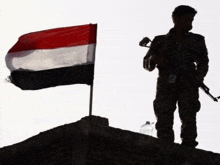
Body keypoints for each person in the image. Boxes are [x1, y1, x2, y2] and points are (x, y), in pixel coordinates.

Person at [141, 5, 209, 147]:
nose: (190, 24)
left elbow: (203, 62)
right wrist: (154, 59)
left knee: (189, 116)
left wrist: (199, 76)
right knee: (164, 115)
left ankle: (189, 147)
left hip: (188, 83)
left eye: (192, 20)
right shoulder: (160, 41)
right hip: (166, 84)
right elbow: (147, 63)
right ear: (175, 19)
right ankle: (165, 147)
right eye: (186, 19)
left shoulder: (197, 40)